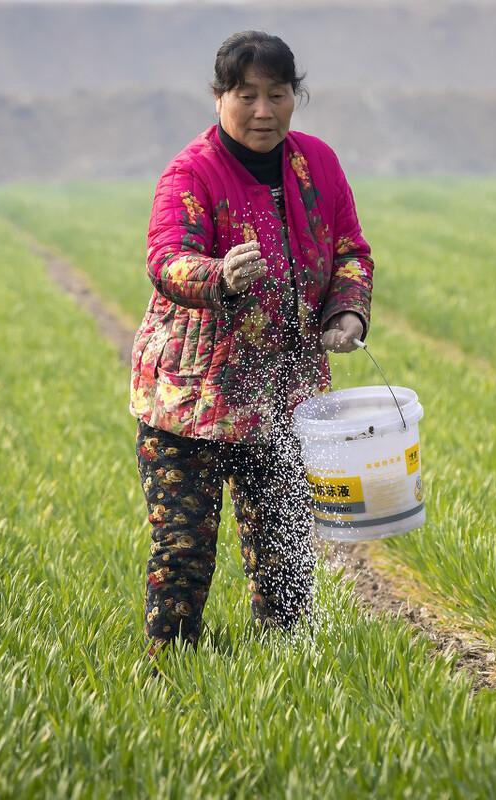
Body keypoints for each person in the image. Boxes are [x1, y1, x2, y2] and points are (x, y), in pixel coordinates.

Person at [131, 30, 374, 657]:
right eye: (246, 95)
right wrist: (217, 275)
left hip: (284, 398)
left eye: (278, 94)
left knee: (287, 558)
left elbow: (349, 248)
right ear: (219, 99)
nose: (263, 110)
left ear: (296, 97)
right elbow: (166, 259)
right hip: (193, 401)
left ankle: (285, 683)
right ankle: (171, 682)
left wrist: (347, 313)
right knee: (182, 557)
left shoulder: (316, 164)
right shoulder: (193, 171)